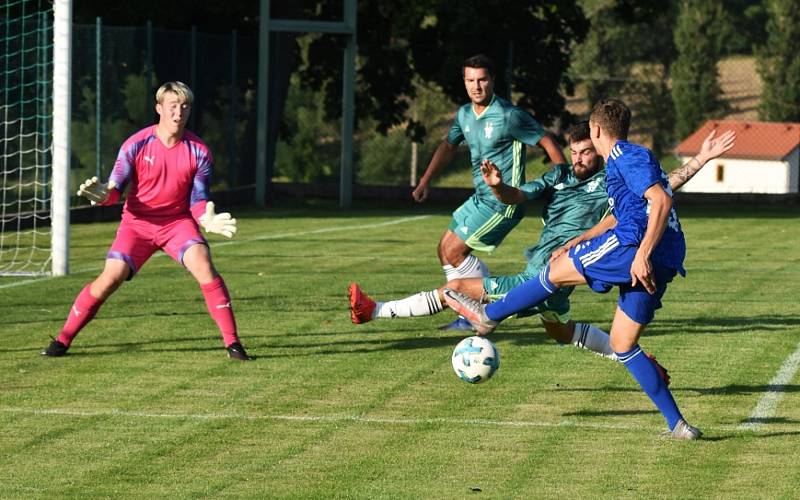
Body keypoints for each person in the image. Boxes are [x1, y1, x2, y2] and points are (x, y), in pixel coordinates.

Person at [351, 121, 734, 373]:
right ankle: (638, 360)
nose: (580, 159)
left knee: (454, 290)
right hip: (553, 267)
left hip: (548, 274)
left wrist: (701, 158)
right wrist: (498, 187)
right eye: (575, 152)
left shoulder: (614, 180)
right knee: (562, 332)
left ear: (598, 150)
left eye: (587, 151)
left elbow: (663, 184)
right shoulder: (559, 176)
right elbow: (519, 195)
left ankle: (374, 311)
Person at [445, 99, 707, 439]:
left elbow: (661, 200)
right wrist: (580, 239)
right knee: (623, 344)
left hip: (635, 246)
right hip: (666, 256)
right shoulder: (633, 158)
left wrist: (641, 254)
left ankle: (489, 316)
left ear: (596, 130)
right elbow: (622, 211)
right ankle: (679, 425)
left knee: (553, 273)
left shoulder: (624, 157)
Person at [42, 81, 250, 361]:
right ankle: (63, 339)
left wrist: (205, 219)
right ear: (159, 109)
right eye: (173, 106)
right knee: (110, 277)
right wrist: (104, 194)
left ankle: (234, 345)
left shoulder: (200, 151)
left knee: (203, 263)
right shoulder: (136, 144)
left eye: (185, 107)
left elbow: (198, 199)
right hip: (137, 224)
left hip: (177, 223)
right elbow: (114, 191)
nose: (179, 113)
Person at [411, 54, 567, 330]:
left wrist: (562, 174)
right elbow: (448, 147)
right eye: (470, 80)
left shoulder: (509, 115)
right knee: (444, 251)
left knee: (455, 251)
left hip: (502, 202)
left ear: (492, 80)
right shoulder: (463, 115)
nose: (477, 86)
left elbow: (545, 140)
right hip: (479, 198)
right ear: (464, 82)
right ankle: (470, 313)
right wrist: (425, 181)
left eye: (482, 79)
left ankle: (481, 313)